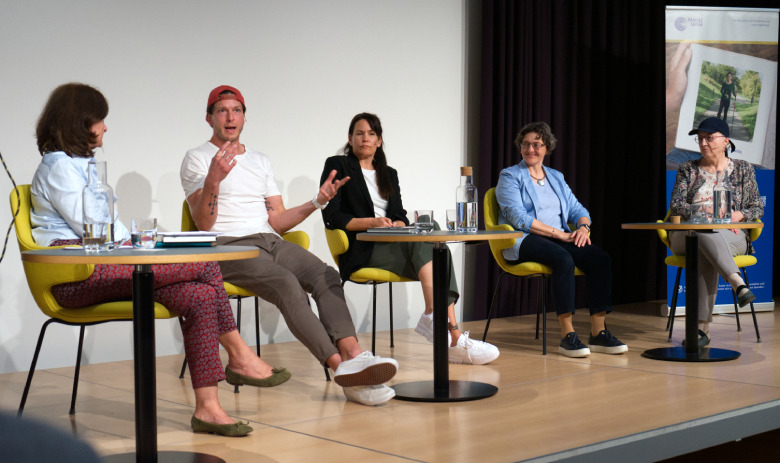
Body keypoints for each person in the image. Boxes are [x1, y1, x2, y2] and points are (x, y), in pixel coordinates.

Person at [30, 83, 286, 437]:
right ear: (80, 122)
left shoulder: (81, 165)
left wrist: (145, 242)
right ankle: (240, 355)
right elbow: (95, 229)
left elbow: (111, 233)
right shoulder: (59, 166)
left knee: (201, 296)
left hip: (103, 267)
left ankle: (208, 410)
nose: (105, 128)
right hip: (74, 278)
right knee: (205, 263)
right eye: (100, 120)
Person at [180, 86, 398, 406]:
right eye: (222, 110)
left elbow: (278, 221)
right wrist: (214, 179)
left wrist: (317, 201)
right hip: (226, 246)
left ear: (244, 117)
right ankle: (341, 370)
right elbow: (203, 224)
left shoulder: (260, 160)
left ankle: (354, 355)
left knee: (325, 274)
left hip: (268, 240)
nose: (230, 116)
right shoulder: (197, 159)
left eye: (237, 110)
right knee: (286, 284)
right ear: (209, 118)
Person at [319, 113, 500, 365]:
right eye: (359, 133)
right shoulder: (338, 164)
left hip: (394, 242)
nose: (365, 139)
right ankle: (450, 332)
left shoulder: (388, 173)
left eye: (371, 134)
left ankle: (437, 320)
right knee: (436, 247)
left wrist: (399, 225)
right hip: (363, 248)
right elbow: (333, 216)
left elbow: (399, 214)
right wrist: (373, 223)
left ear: (379, 141)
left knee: (431, 235)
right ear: (350, 139)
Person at [495, 122, 628, 358]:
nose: (530, 149)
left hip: (559, 237)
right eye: (525, 144)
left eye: (536, 144)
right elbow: (517, 217)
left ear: (547, 147)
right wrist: (561, 234)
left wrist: (584, 228)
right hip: (524, 239)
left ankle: (598, 332)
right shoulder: (510, 176)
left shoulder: (556, 176)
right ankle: (567, 335)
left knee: (600, 258)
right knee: (563, 259)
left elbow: (577, 209)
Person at [669, 117, 762, 346]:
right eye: (700, 139)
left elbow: (757, 207)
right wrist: (703, 210)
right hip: (687, 232)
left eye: (709, 138)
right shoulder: (687, 169)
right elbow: (677, 206)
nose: (703, 143)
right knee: (700, 234)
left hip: (729, 233)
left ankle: (701, 331)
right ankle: (737, 282)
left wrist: (739, 215)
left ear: (725, 140)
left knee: (704, 244)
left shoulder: (743, 169)